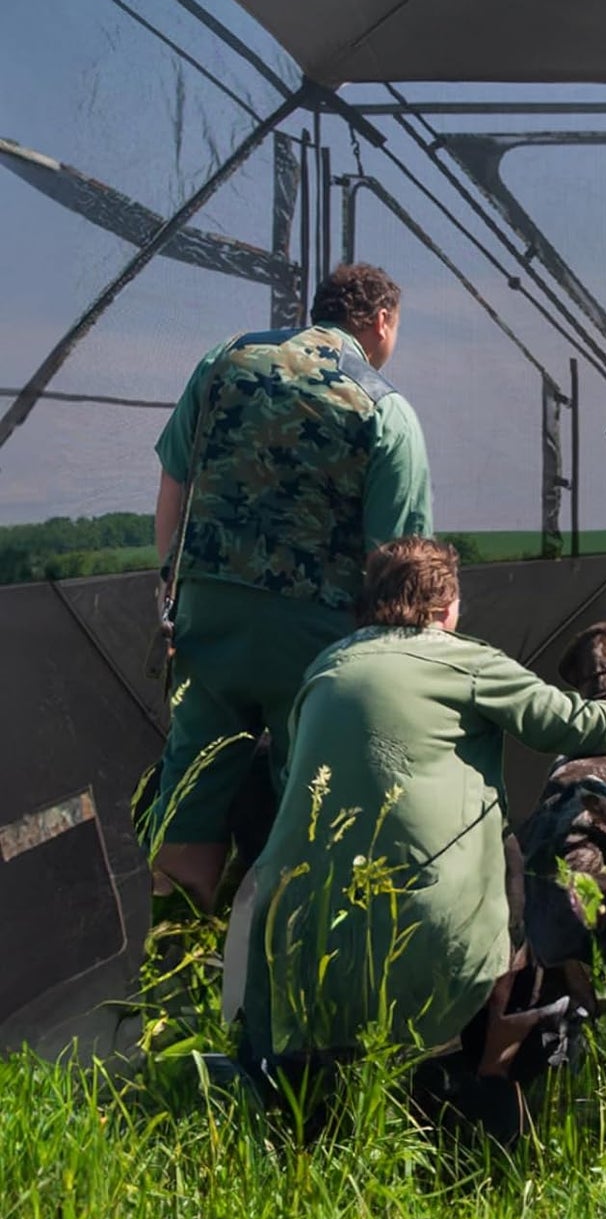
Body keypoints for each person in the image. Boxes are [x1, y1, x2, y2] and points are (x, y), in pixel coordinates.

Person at [240, 537, 606, 1077]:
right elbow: (563, 721)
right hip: (432, 931)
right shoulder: (464, 660)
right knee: (512, 868)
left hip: (301, 928)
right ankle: (493, 1082)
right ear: (445, 606)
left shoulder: (327, 666)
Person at [147, 263, 433, 916]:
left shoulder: (226, 360)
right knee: (315, 811)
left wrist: (174, 590)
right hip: (314, 640)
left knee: (191, 796)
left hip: (206, 613)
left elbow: (173, 483)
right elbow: (401, 567)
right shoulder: (384, 406)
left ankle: (174, 981)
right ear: (381, 322)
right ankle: (291, 976)